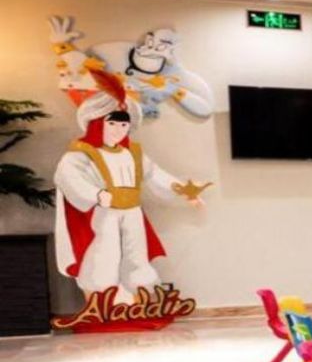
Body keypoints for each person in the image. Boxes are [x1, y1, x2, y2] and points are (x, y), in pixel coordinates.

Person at [53, 70, 203, 304]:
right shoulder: (83, 153)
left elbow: (154, 174)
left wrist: (185, 191)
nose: (118, 129)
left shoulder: (132, 153)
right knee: (105, 251)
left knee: (136, 253)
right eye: (112, 123)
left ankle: (137, 298)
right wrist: (96, 195)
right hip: (105, 212)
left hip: (132, 211)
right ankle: (102, 299)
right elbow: (68, 176)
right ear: (97, 123)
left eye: (123, 124)